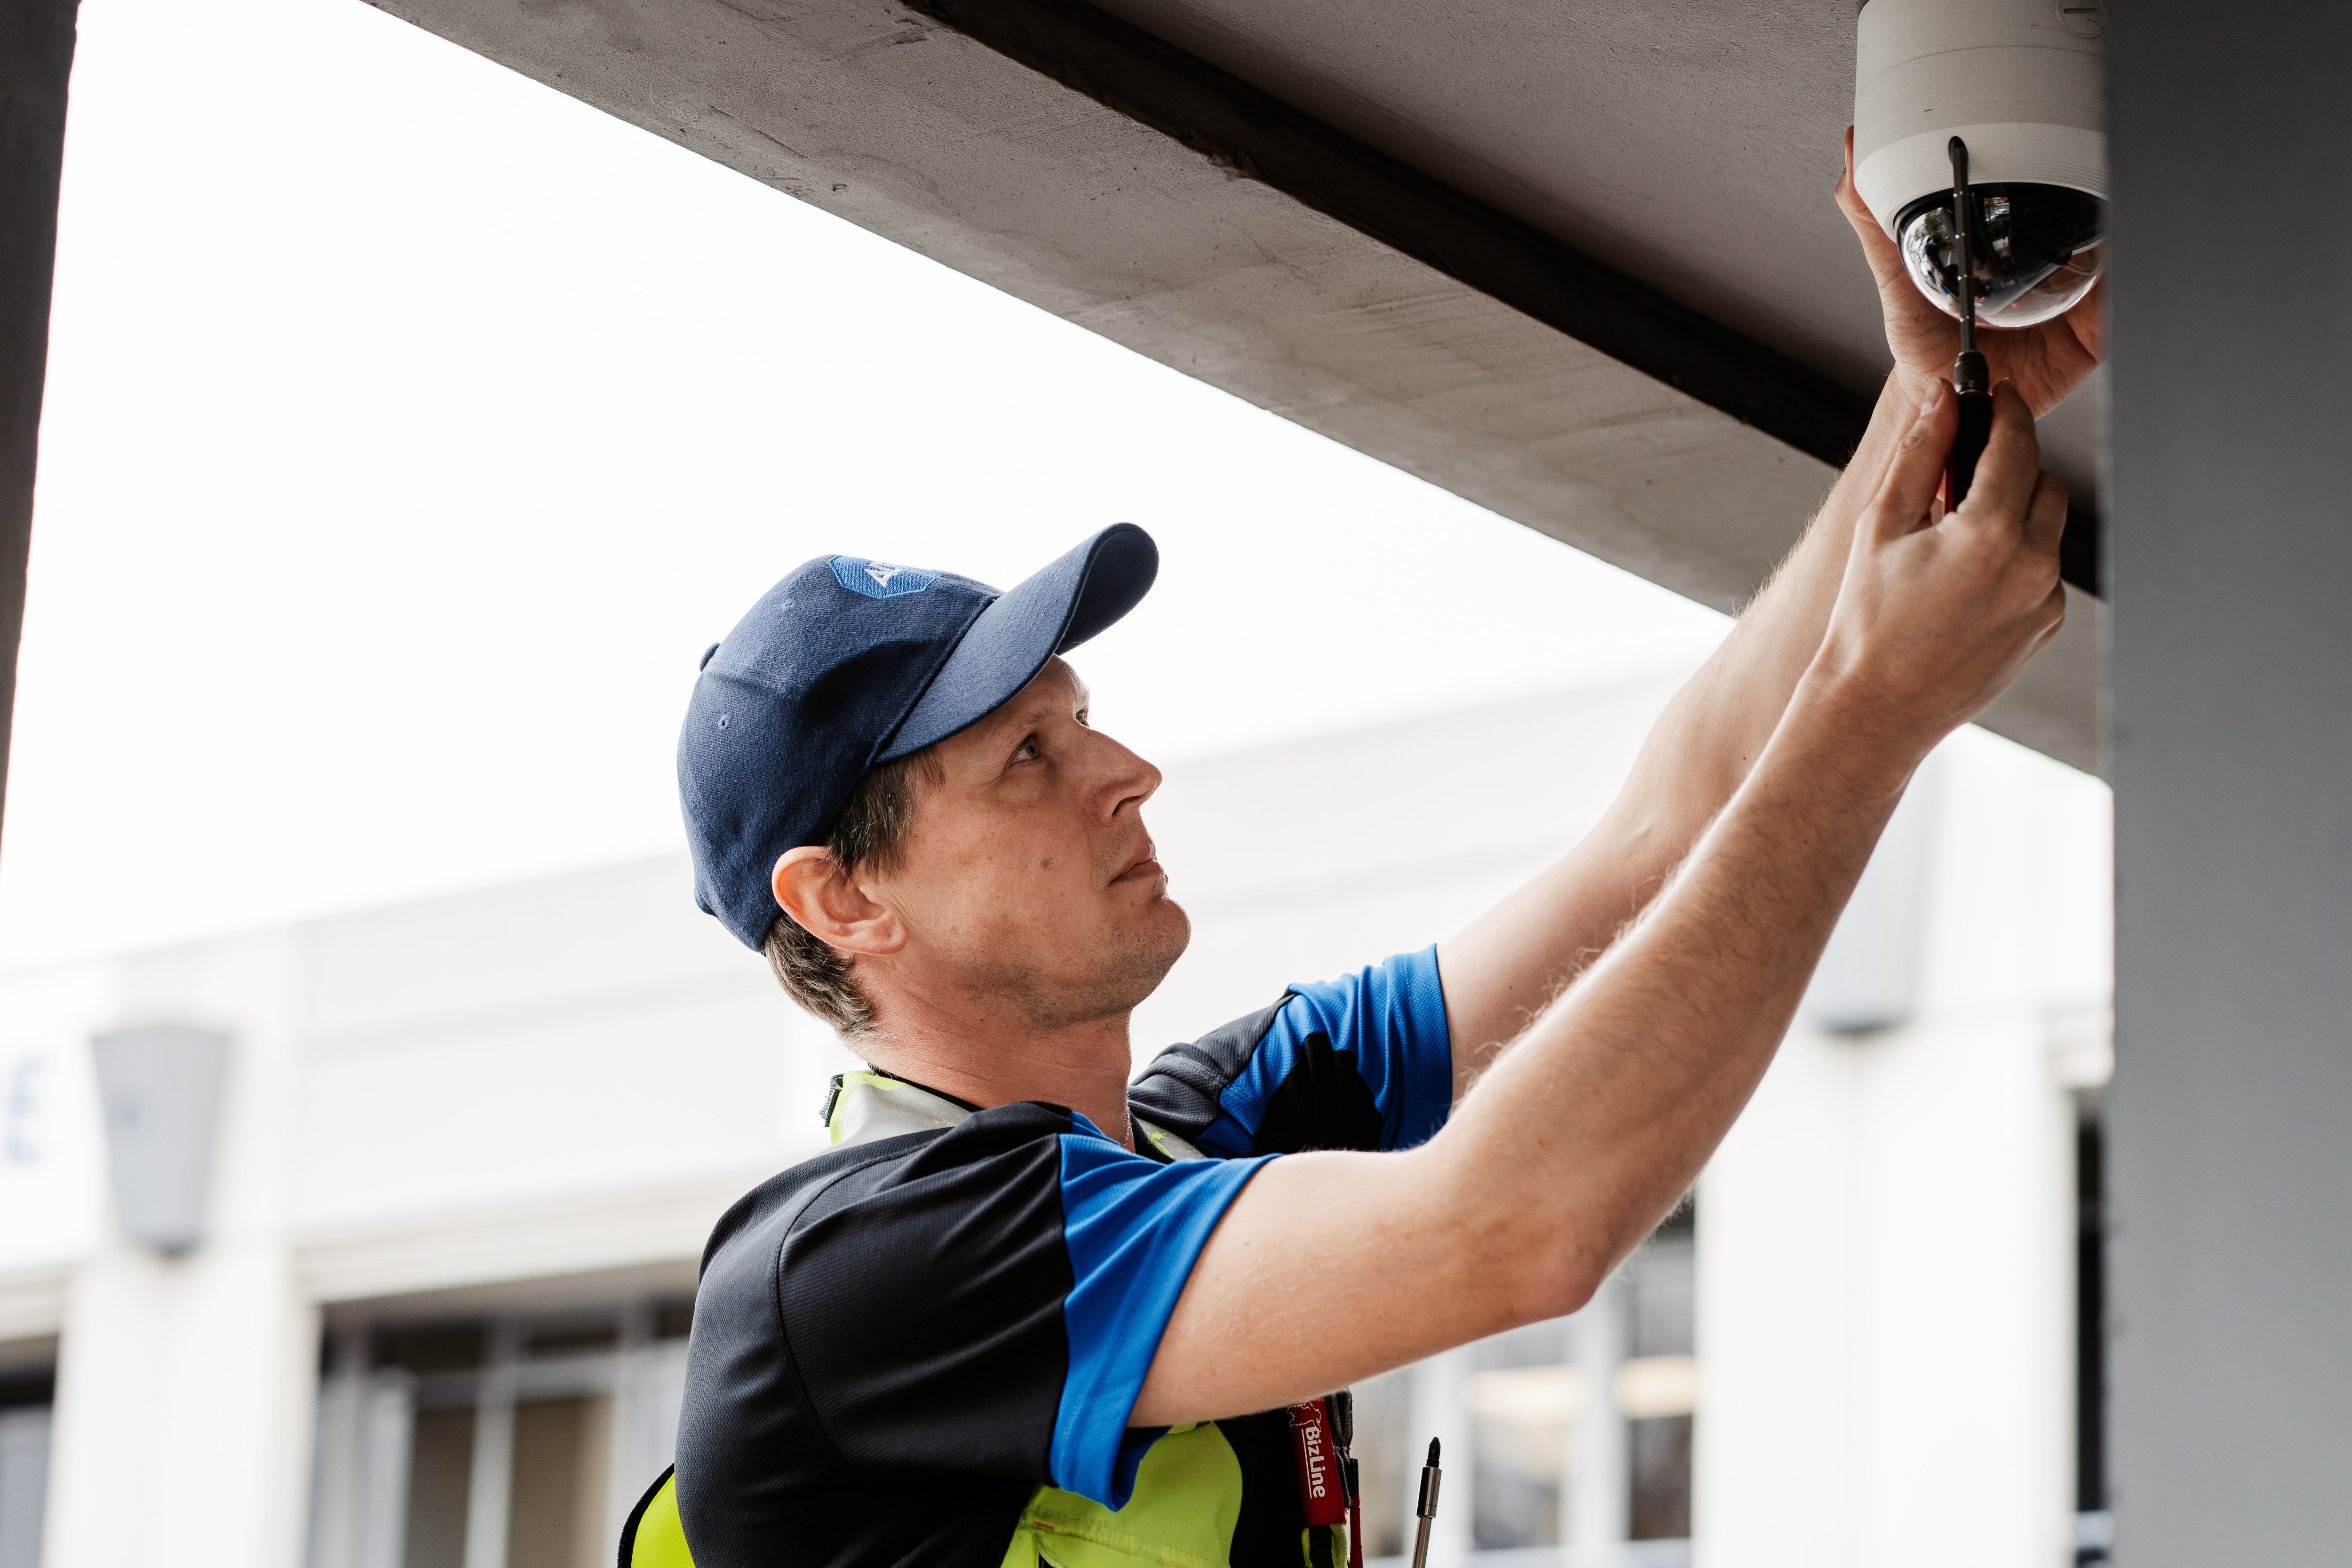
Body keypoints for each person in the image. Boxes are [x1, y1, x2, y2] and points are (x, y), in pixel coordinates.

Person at [631, 137, 2102, 1568]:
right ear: (842, 897)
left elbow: (1657, 845)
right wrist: (1876, 716)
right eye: (1028, 756)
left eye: (1089, 723)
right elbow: (1519, 1230)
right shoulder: (870, 1269)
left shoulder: (1213, 1122)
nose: (1131, 776)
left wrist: (1932, 409)